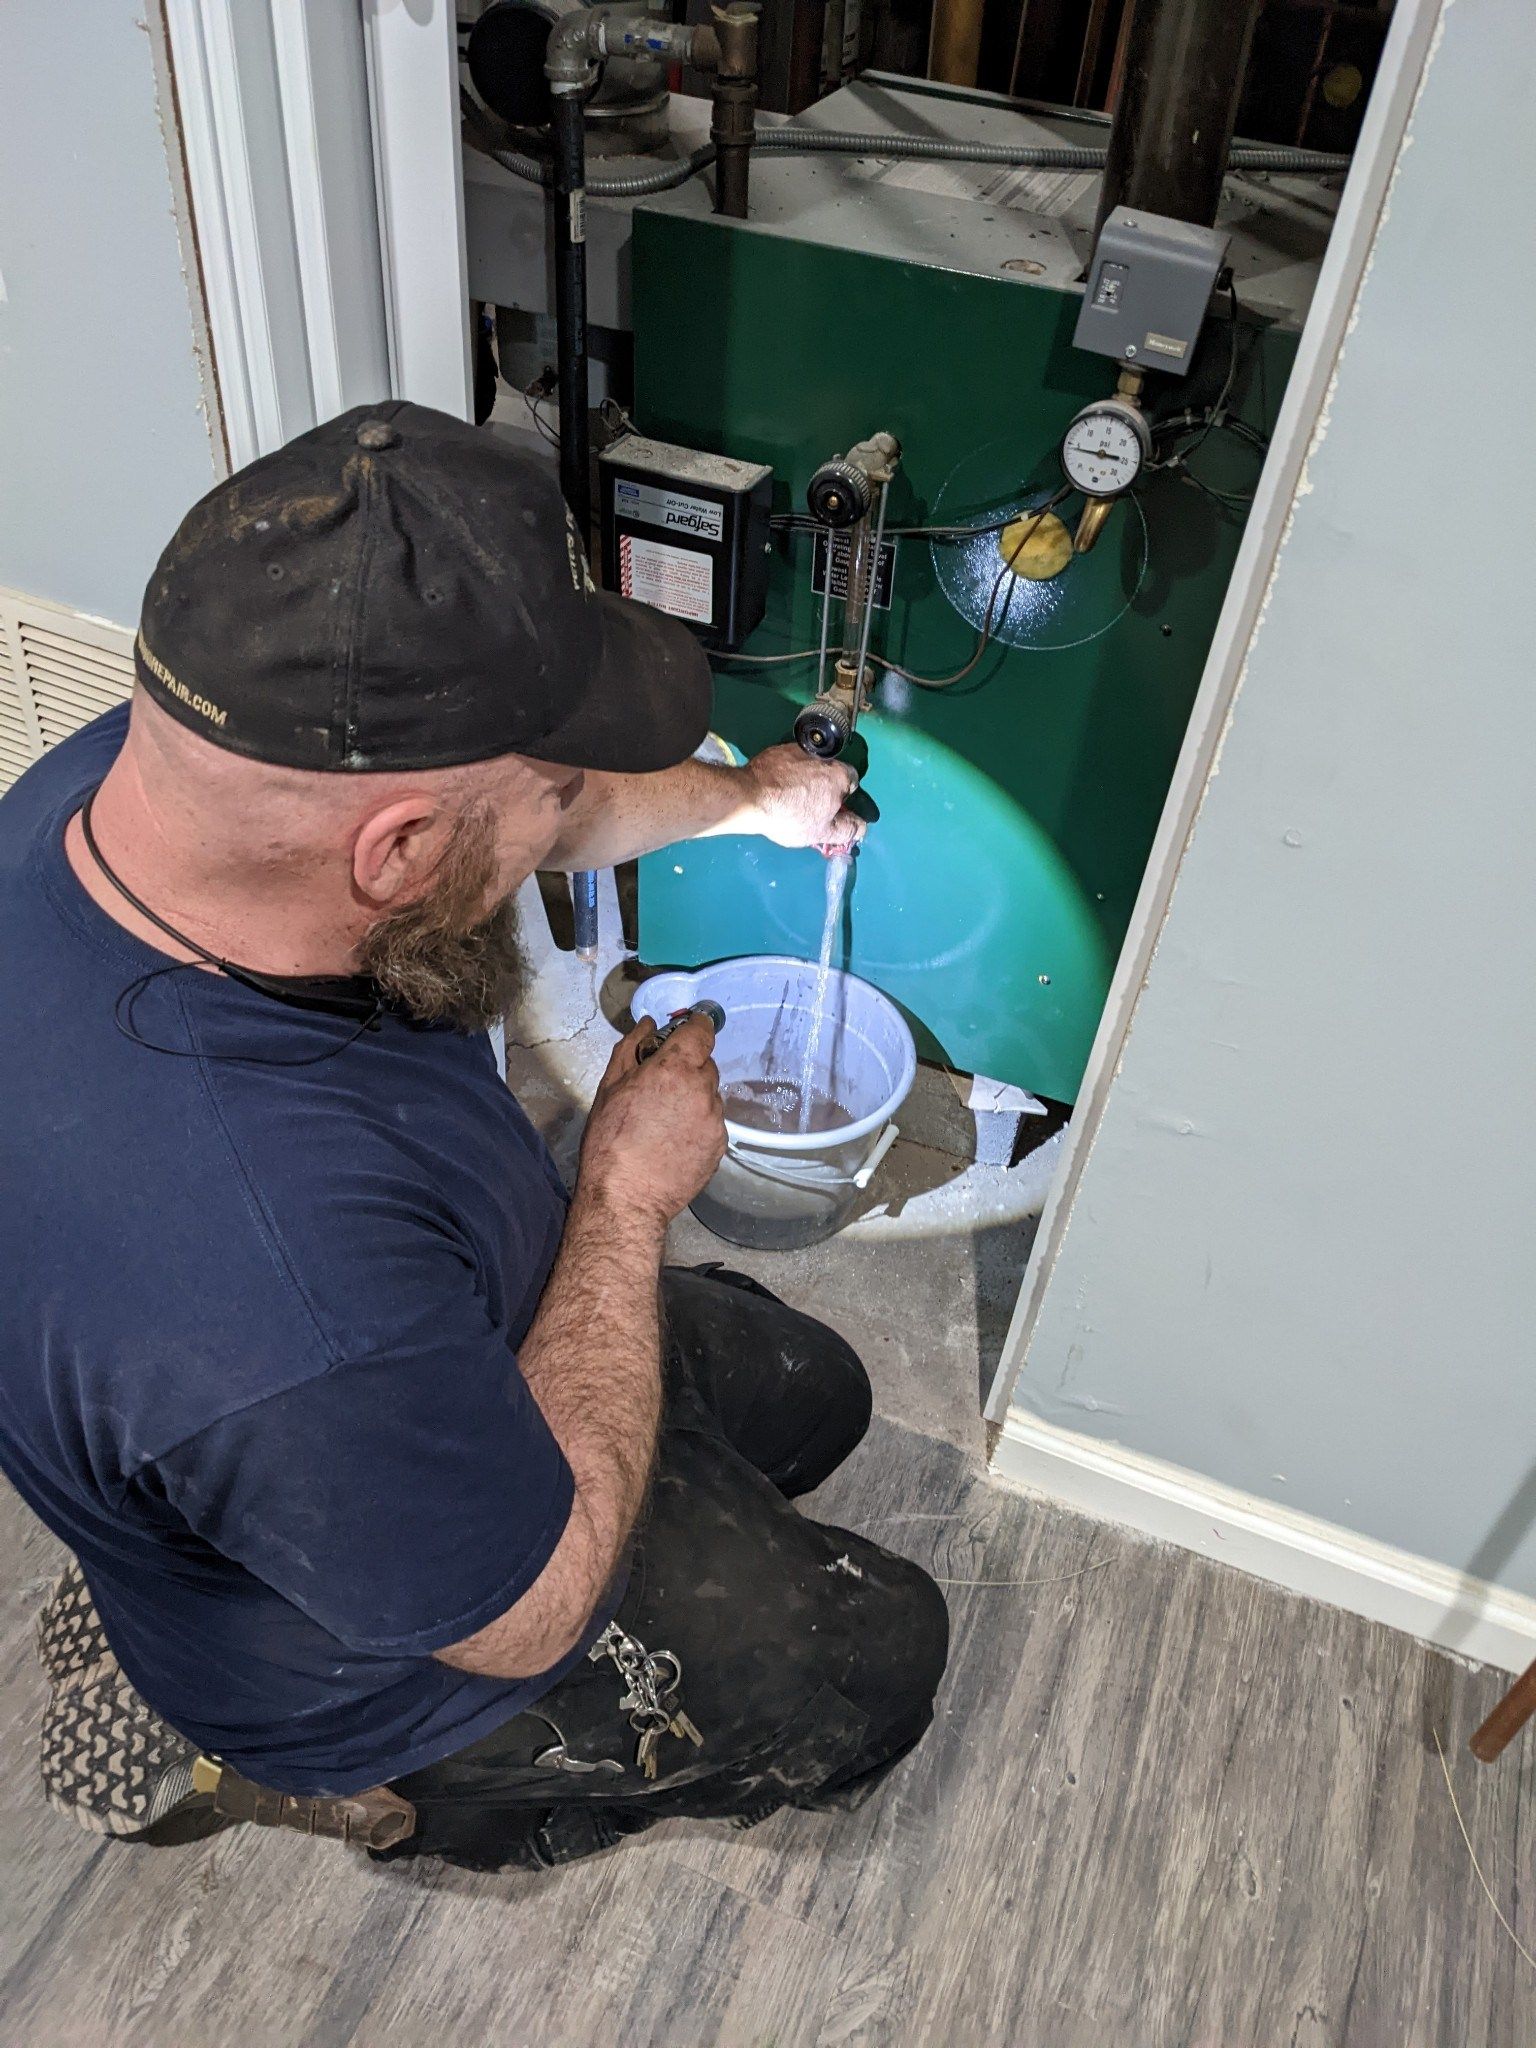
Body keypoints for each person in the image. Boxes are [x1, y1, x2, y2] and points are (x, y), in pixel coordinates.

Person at [0, 402, 948, 1870]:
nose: (567, 812)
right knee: (878, 1662)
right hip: (396, 1646)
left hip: (411, 1361)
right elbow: (535, 1614)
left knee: (814, 1400)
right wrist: (623, 1205)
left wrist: (749, 804)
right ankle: (325, 1780)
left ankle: (195, 1542)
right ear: (399, 853)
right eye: (550, 790)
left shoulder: (149, 790)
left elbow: (519, 813)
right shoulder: (265, 1303)